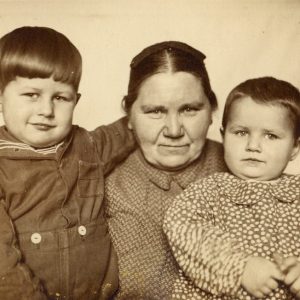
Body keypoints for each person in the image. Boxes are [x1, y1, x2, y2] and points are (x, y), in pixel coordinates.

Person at [0, 26, 135, 300]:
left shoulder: (89, 146)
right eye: (31, 95)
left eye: (60, 97)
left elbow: (134, 126)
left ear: (76, 101)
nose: (46, 111)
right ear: (1, 96)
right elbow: (4, 266)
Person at [104, 41, 228, 299]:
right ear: (128, 116)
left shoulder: (247, 171)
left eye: (189, 109)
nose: (173, 130)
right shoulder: (101, 184)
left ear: (212, 109)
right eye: (156, 111)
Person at [164, 77, 300, 299]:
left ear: (295, 147)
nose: (253, 146)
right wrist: (239, 267)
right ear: (223, 135)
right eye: (241, 133)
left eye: (271, 136)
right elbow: (182, 227)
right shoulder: (210, 191)